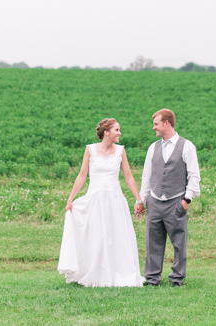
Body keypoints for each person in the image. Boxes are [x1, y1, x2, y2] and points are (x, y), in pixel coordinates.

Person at [57, 118, 146, 287]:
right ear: (107, 133)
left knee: (116, 236)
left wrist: (139, 199)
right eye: (117, 130)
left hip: (115, 200)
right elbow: (82, 175)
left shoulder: (121, 151)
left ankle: (118, 272)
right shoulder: (90, 150)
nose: (120, 133)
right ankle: (94, 272)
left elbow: (128, 176)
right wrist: (70, 199)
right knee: (96, 236)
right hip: (95, 200)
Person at [135, 109, 201, 287]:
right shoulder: (152, 148)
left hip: (176, 201)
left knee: (179, 242)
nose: (153, 127)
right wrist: (142, 200)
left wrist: (186, 200)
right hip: (155, 201)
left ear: (166, 123)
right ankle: (152, 277)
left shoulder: (187, 146)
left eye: (156, 124)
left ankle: (177, 278)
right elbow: (146, 177)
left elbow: (194, 176)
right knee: (153, 241)